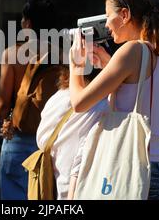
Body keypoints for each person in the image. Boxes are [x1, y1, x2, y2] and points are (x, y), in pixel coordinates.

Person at [67, 0, 159, 200]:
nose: (107, 24)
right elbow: (142, 89)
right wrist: (109, 62)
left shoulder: (131, 50)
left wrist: (75, 67)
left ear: (125, 15)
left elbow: (79, 103)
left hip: (134, 172)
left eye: (108, 15)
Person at [0, 0, 60, 200]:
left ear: (28, 23)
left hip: (17, 137)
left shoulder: (12, 54)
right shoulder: (64, 56)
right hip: (52, 140)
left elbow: (2, 101)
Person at [35, 67, 110, 200]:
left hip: (56, 186)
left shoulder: (56, 98)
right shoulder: (105, 105)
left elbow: (42, 141)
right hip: (82, 189)